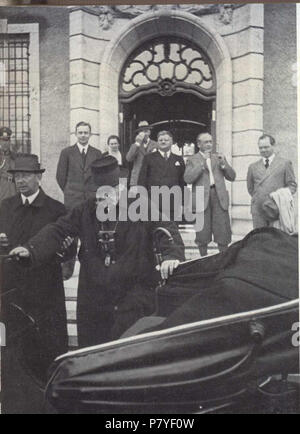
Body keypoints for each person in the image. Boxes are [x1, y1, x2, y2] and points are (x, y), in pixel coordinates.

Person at [10, 155, 185, 348]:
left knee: (126, 352)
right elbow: (58, 229)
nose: (102, 200)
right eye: (99, 195)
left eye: (107, 194)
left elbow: (166, 229)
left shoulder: (140, 205)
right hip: (94, 298)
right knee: (92, 350)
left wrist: (171, 257)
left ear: (120, 189)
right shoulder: (86, 209)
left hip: (131, 296)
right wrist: (31, 249)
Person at [0, 153, 71, 413]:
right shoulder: (4, 207)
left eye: (26, 175)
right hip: (12, 296)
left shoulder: (56, 210)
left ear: (39, 177)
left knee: (46, 355)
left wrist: (64, 251)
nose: (20, 181)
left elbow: (68, 251)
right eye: (17, 176)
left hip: (45, 296)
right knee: (12, 359)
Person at [56, 121, 102, 278]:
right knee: (71, 236)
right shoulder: (67, 152)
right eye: (80, 132)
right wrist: (70, 191)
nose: (83, 135)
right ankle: (67, 271)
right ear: (76, 134)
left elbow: (100, 176)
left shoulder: (97, 153)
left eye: (86, 132)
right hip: (73, 200)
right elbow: (60, 176)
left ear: (90, 134)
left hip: (91, 201)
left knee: (91, 234)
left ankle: (92, 270)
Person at [184, 132, 236, 257]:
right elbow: (187, 179)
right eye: (206, 142)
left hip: (219, 197)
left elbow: (232, 176)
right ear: (198, 144)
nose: (209, 144)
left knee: (222, 231)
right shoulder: (192, 159)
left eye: (210, 142)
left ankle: (224, 259)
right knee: (202, 232)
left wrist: (224, 164)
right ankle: (203, 259)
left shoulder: (218, 158)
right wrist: (201, 165)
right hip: (202, 197)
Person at [247, 134, 297, 229]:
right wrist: (260, 198)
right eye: (260, 148)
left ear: (273, 146)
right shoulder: (253, 167)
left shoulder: (284, 163)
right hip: (258, 210)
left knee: (276, 240)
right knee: (260, 240)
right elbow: (250, 188)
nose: (263, 150)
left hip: (277, 209)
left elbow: (292, 186)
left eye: (266, 147)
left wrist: (279, 196)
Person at [138, 130, 186, 222]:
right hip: (153, 201)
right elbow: (142, 180)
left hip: (173, 201)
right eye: (160, 140)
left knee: (172, 231)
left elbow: (182, 183)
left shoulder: (178, 159)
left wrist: (183, 204)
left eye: (166, 140)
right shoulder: (149, 158)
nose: (163, 142)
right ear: (157, 142)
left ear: (171, 142)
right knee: (154, 231)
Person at [126, 120, 157, 187]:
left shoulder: (156, 144)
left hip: (152, 178)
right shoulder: (135, 145)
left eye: (146, 131)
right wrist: (137, 143)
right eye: (141, 132)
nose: (144, 134)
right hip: (137, 179)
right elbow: (129, 158)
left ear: (149, 132)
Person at [0, 126, 17, 207]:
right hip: (2, 188)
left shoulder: (14, 156)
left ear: (10, 142)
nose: (5, 143)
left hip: (13, 188)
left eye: (7, 140)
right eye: (3, 140)